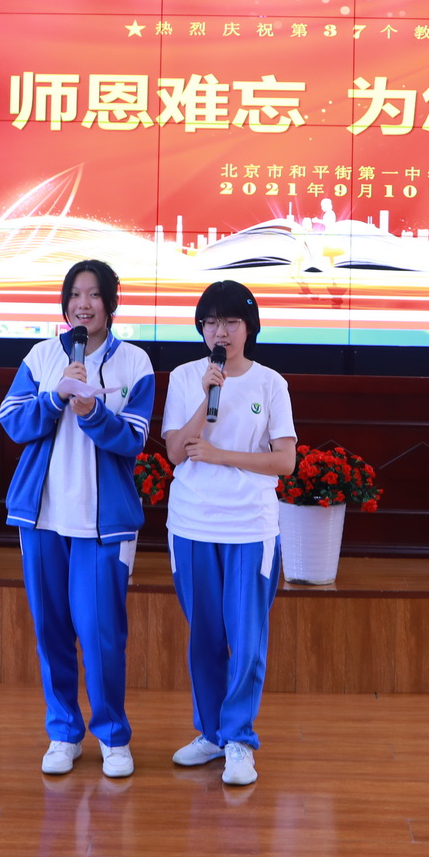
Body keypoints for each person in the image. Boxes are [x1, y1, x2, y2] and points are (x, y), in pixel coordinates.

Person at [0, 259, 155, 779]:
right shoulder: (43, 355)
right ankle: (63, 732)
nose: (82, 304)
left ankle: (112, 736)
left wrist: (92, 413)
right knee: (52, 630)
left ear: (110, 303)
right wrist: (56, 395)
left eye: (93, 294)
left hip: (101, 524)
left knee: (102, 633)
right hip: (42, 519)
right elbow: (12, 420)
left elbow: (133, 440)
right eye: (74, 295)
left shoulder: (135, 362)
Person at [161, 280, 297, 788]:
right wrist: (206, 397)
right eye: (212, 322)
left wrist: (221, 456)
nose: (221, 331)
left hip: (249, 527)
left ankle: (239, 739)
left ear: (249, 327)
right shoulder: (185, 377)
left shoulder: (270, 383)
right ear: (201, 328)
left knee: (247, 638)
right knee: (206, 637)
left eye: (231, 321)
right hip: (192, 524)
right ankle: (212, 734)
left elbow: (285, 461)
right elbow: (176, 451)